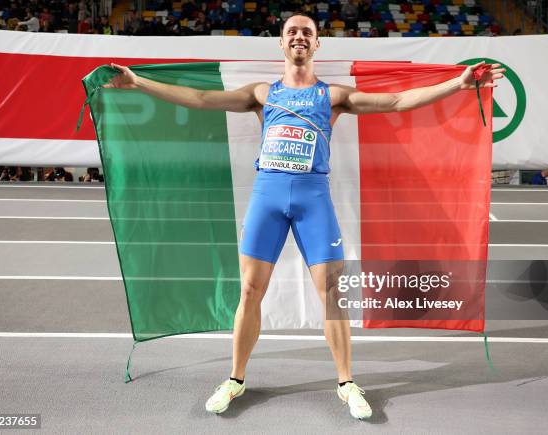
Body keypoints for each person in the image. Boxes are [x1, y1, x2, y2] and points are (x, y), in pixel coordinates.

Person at [105, 13, 505, 420]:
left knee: (332, 295)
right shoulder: (262, 94)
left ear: (317, 45)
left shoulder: (332, 96)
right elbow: (203, 100)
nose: (299, 37)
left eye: (307, 33)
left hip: (314, 200)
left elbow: (398, 101)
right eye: (292, 32)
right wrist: (138, 82)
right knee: (249, 291)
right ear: (282, 43)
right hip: (268, 198)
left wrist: (458, 83)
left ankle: (347, 383)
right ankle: (235, 379)